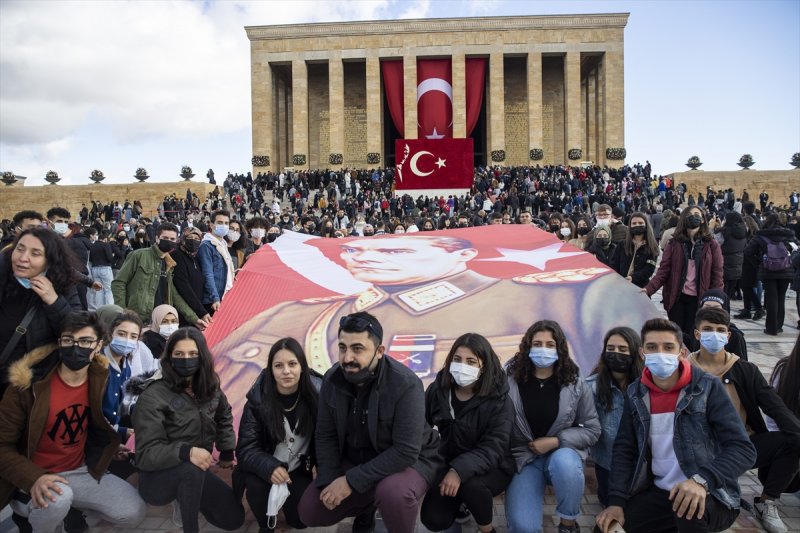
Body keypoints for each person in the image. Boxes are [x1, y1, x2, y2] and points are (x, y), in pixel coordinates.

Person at [595, 318, 756, 533]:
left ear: (681, 352)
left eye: (668, 347)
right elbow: (625, 449)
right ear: (642, 353)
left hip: (712, 494)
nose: (660, 353)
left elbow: (743, 449)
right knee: (606, 528)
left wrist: (702, 480)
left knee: (687, 511)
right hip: (662, 493)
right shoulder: (635, 392)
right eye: (652, 347)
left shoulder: (707, 387)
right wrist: (616, 501)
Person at [0, 311, 147, 533]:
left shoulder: (99, 379)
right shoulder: (27, 387)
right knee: (59, 499)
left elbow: (93, 425)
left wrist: (110, 446)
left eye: (85, 341)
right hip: (33, 473)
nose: (76, 347)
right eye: (69, 340)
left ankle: (72, 513)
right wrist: (34, 477)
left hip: (78, 470)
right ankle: (32, 514)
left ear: (98, 346)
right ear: (60, 343)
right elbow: (2, 446)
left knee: (132, 510)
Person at [297, 312, 443, 533]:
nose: (347, 358)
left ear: (379, 352)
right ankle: (366, 505)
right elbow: (325, 434)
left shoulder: (406, 384)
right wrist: (329, 478)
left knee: (392, 493)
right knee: (310, 510)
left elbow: (405, 451)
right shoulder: (332, 379)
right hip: (358, 458)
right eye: (343, 347)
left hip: (411, 461)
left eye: (358, 349)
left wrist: (350, 482)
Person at [689, 308, 800, 533]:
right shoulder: (683, 369)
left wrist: (796, 431)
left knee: (794, 439)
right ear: (697, 334)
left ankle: (766, 500)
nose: (714, 334)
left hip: (738, 449)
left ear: (728, 336)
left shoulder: (745, 370)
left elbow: (775, 407)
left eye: (720, 330)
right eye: (708, 329)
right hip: (693, 450)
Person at [133, 327, 245, 533]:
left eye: (193, 354)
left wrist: (227, 449)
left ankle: (188, 496)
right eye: (179, 354)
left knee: (233, 519)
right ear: (169, 357)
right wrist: (186, 452)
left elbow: (224, 414)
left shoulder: (210, 385)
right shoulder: (153, 395)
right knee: (190, 469)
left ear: (202, 357)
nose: (187, 359)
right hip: (158, 478)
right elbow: (146, 454)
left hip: (197, 469)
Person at [504, 320, 600, 533]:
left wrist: (557, 441)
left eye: (550, 344)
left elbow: (592, 429)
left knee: (566, 463)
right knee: (522, 528)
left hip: (561, 455)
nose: (543, 350)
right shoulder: (509, 378)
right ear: (527, 346)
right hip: (524, 459)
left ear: (560, 348)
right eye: (537, 344)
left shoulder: (574, 380)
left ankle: (568, 524)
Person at [420, 333, 515, 533]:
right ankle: (461, 503)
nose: (462, 366)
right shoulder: (438, 390)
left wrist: (458, 471)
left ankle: (487, 530)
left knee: (471, 486)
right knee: (433, 520)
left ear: (484, 366)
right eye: (457, 359)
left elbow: (494, 448)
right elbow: (420, 424)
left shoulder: (499, 399)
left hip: (493, 467)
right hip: (450, 461)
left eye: (471, 361)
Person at [234, 338, 322, 533]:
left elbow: (326, 442)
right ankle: (266, 524)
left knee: (301, 521)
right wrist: (270, 467)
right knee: (256, 486)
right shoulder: (258, 400)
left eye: (292, 364)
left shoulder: (317, 397)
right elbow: (246, 449)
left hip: (298, 470)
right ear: (271, 369)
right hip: (263, 470)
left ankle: (288, 505)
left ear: (302, 367)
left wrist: (325, 478)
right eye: (279, 365)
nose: (286, 371)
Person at [0, 228, 82, 396]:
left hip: (31, 385)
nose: (23, 258)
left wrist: (54, 301)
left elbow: (76, 332)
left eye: (35, 253)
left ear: (50, 260)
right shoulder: (3, 275)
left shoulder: (64, 286)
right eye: (20, 249)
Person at [644, 206, 724, 343]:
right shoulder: (674, 243)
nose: (693, 217)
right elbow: (663, 271)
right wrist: (648, 289)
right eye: (690, 214)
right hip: (677, 298)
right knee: (678, 336)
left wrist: (715, 299)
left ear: (703, 220)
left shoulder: (711, 245)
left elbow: (717, 274)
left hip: (699, 298)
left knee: (695, 336)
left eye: (697, 214)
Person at [586, 326, 643, 507]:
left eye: (623, 349)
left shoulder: (647, 386)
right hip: (607, 464)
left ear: (635, 352)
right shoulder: (591, 387)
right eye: (610, 349)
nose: (616, 353)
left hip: (640, 467)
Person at [111, 222, 205, 329]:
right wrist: (124, 313)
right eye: (165, 237)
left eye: (172, 239)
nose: (169, 241)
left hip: (160, 321)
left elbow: (173, 294)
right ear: (157, 238)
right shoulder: (138, 255)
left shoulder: (170, 263)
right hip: (137, 319)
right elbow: (118, 283)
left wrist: (194, 318)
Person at [743, 213, 797, 335]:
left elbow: (748, 251)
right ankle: (779, 326)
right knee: (781, 298)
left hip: (768, 270)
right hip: (786, 270)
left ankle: (771, 328)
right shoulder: (788, 235)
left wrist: (759, 263)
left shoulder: (761, 235)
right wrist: (790, 261)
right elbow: (796, 248)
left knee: (771, 298)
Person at [686, 289, 748, 360]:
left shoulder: (736, 336)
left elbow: (741, 363)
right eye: (707, 307)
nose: (711, 311)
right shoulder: (696, 328)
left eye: (717, 308)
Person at [171, 227, 212, 327]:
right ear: (184, 238)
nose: (194, 240)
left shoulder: (194, 258)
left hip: (195, 311)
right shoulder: (177, 255)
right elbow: (183, 287)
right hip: (184, 312)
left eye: (197, 238)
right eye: (190, 237)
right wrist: (201, 311)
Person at [198, 209, 235, 315]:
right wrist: (214, 298)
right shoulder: (207, 245)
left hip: (225, 295)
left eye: (226, 223)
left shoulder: (222, 243)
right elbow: (207, 273)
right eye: (219, 222)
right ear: (211, 225)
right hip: (214, 299)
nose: (223, 225)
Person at [610, 212, 659, 288]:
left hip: (640, 287)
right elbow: (614, 264)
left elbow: (649, 269)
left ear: (646, 225)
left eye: (640, 223)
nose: (637, 225)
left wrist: (633, 278)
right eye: (634, 223)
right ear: (630, 226)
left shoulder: (652, 246)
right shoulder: (622, 245)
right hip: (620, 286)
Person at [717, 212, 747, 300]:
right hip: (737, 268)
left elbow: (714, 245)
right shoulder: (743, 232)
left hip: (724, 266)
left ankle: (723, 312)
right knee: (728, 295)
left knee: (721, 294)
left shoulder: (724, 232)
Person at [88, 229, 114, 310]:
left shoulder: (92, 246)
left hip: (94, 269)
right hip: (105, 269)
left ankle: (99, 310)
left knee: (98, 290)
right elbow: (110, 258)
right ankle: (109, 309)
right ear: (105, 239)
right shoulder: (106, 245)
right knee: (108, 290)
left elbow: (91, 259)